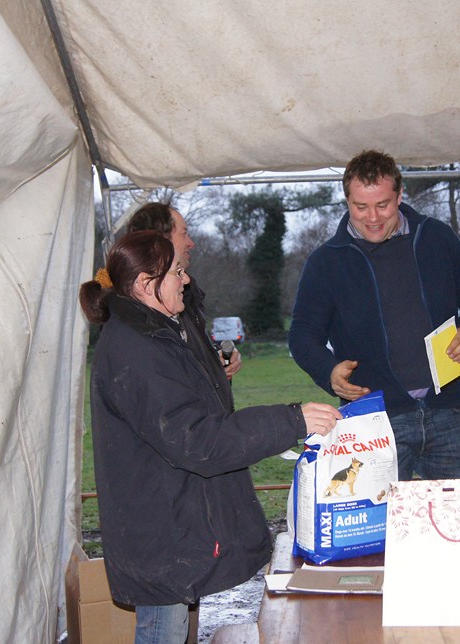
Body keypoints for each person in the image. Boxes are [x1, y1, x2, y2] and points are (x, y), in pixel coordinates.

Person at [80, 231, 341, 643]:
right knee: (163, 631)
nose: (185, 280)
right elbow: (197, 438)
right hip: (159, 530)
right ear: (147, 284)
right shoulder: (136, 348)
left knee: (171, 626)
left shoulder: (158, 331)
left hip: (168, 517)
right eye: (178, 272)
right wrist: (293, 421)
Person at [288, 149, 460, 481]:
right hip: (374, 421)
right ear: (347, 202)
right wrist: (328, 370)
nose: (372, 217)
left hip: (449, 413)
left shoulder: (435, 237)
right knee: (377, 530)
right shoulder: (326, 262)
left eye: (382, 205)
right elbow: (301, 335)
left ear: (399, 196)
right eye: (360, 207)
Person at [126, 202, 242, 380]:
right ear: (161, 240)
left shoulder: (186, 296)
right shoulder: (135, 321)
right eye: (184, 233)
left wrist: (215, 361)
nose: (191, 243)